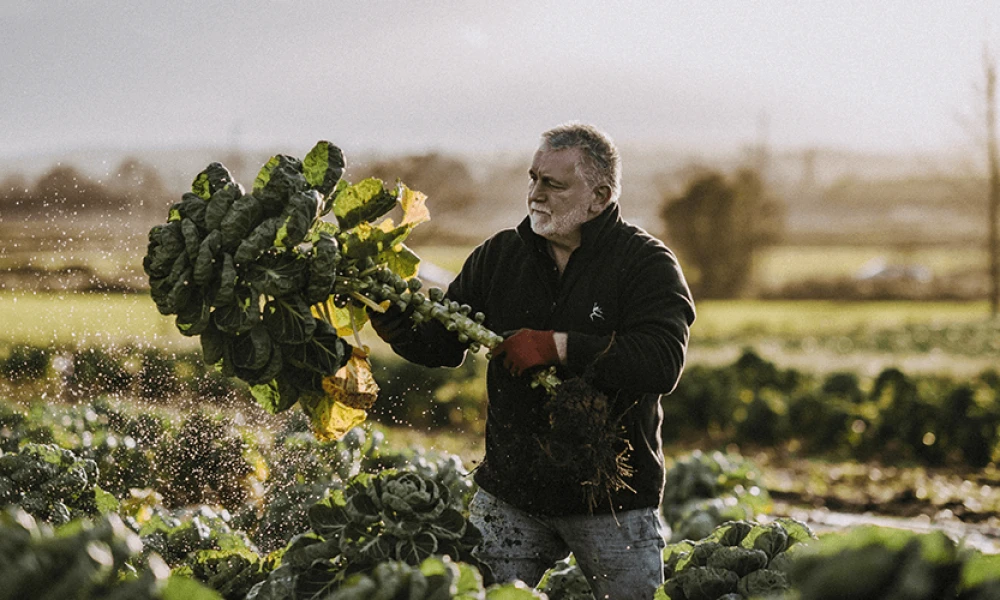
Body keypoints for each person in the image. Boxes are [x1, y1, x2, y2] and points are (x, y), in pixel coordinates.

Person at [368, 122, 695, 599]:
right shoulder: (501, 257)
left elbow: (662, 362)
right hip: (512, 493)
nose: (535, 193)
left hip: (611, 502)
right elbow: (440, 343)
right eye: (533, 178)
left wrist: (555, 346)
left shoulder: (645, 265)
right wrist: (393, 317)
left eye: (553, 184)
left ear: (599, 196)